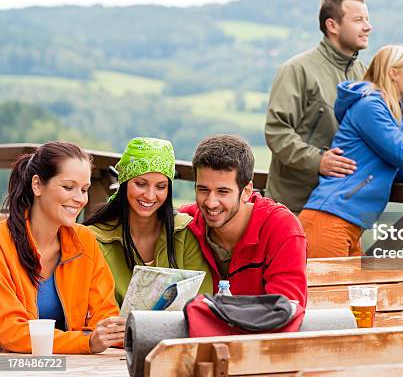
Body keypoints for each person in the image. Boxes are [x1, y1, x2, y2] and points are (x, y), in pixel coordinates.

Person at [300, 45, 403, 258]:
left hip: (349, 225)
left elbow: (387, 167)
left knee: (354, 292)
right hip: (329, 220)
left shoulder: (391, 108)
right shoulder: (370, 107)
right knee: (328, 293)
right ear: (393, 73)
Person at [0, 141, 123, 354]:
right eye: (68, 187)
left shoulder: (85, 241)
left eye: (84, 189)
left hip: (73, 367)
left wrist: (112, 332)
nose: (80, 199)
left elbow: (105, 313)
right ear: (37, 185)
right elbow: (10, 331)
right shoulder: (3, 243)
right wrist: (86, 342)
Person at [179, 135, 307, 331]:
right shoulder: (185, 222)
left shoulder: (282, 228)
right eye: (203, 189)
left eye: (223, 192)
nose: (211, 203)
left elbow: (285, 313)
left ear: (247, 190)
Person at [265, 0, 372, 213]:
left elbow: (387, 123)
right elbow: (277, 132)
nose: (367, 27)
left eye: (367, 19)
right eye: (358, 20)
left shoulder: (364, 74)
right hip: (294, 207)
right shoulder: (297, 69)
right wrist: (318, 161)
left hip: (342, 208)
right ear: (332, 25)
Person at [84, 137, 212, 306]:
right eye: (141, 184)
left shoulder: (185, 232)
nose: (150, 195)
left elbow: (202, 299)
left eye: (160, 187)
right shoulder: (95, 239)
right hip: (118, 332)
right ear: (124, 183)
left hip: (180, 332)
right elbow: (97, 309)